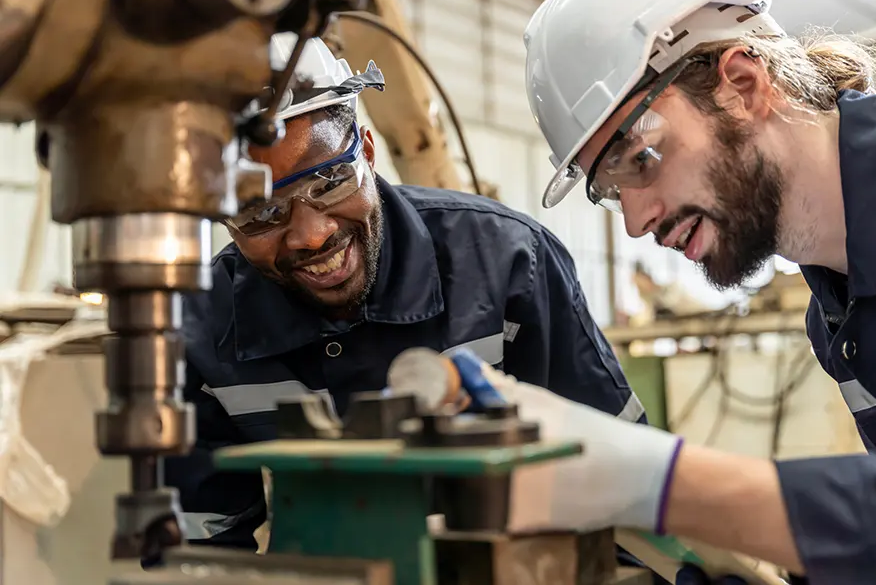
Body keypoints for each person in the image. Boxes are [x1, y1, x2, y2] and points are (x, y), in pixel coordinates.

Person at [518, 0, 876, 584]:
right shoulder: (837, 316)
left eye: (638, 158)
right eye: (610, 190)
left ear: (744, 86)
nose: (636, 221)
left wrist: (679, 487)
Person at [164, 34, 645, 553]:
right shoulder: (205, 327)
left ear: (366, 152)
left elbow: (627, 484)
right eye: (260, 213)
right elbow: (198, 549)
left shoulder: (508, 262)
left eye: (329, 181)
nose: (311, 235)